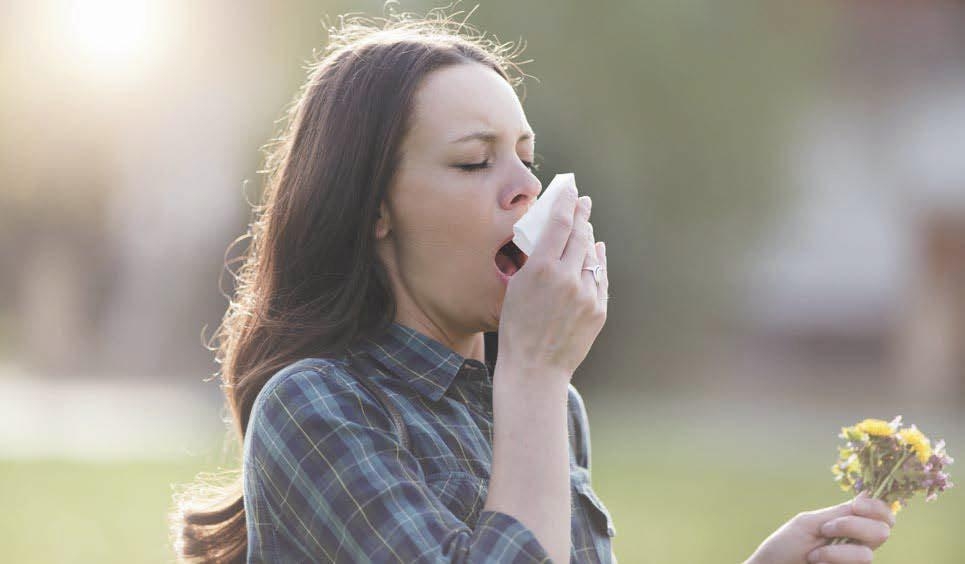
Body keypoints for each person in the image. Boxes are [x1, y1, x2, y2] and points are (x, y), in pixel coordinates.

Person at [171, 7, 896, 564]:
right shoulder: (316, 407)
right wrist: (537, 373)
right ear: (374, 209)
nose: (526, 188)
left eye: (525, 157)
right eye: (472, 162)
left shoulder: (549, 408)